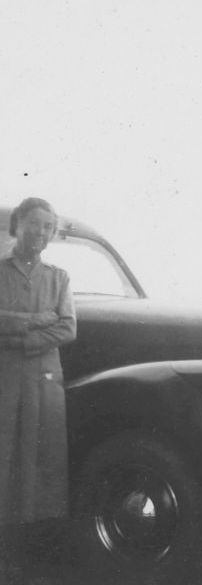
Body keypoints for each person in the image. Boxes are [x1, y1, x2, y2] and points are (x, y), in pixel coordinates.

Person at [0, 197, 76, 580]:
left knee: (41, 461)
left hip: (45, 381)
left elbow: (68, 328)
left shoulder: (58, 278)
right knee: (5, 458)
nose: (41, 233)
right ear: (17, 225)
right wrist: (33, 321)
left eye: (48, 227)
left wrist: (21, 338)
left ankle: (35, 553)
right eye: (34, 224)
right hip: (5, 380)